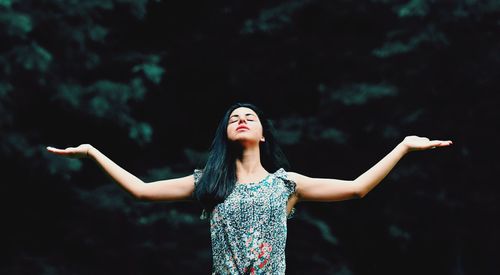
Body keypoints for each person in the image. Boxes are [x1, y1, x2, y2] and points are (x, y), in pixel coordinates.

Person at [46, 102, 453, 274]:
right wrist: (93, 153)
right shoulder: (207, 182)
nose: (242, 118)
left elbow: (356, 188)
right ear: (226, 133)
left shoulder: (286, 184)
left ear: (261, 135)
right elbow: (139, 190)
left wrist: (403, 146)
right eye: (235, 117)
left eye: (250, 117)